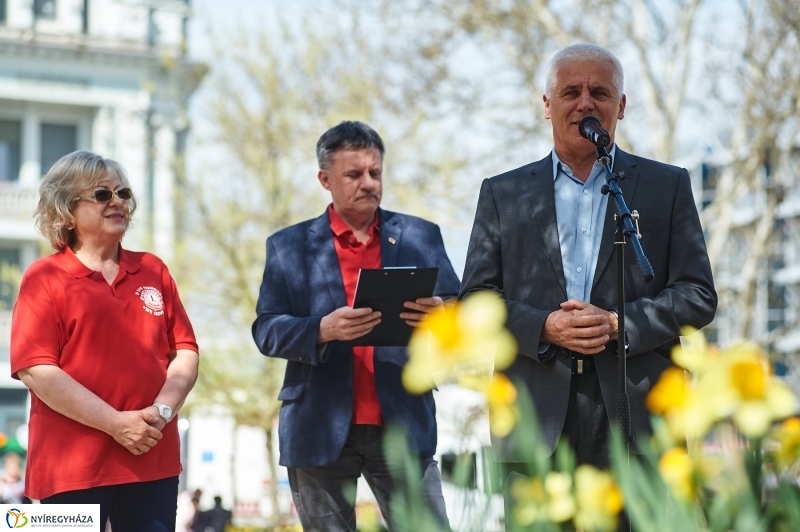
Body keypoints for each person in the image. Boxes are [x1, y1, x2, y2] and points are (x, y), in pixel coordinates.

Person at [459, 43, 717, 490]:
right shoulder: (503, 193)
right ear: (547, 105)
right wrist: (544, 326)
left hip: (638, 413)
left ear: (620, 105)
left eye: (599, 91)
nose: (585, 103)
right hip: (533, 417)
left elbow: (697, 295)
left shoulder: (666, 185)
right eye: (569, 91)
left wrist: (619, 323)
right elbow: (475, 302)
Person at [252, 121, 460, 531]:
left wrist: (441, 313)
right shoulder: (287, 246)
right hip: (318, 425)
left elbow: (460, 307)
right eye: (354, 174)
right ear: (325, 179)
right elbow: (266, 329)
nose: (368, 183)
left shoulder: (421, 236)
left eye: (375, 173)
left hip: (403, 419)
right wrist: (321, 330)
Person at [10, 151, 199, 531]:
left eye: (123, 192)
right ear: (65, 211)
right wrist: (115, 423)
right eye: (101, 194)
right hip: (69, 469)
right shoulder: (43, 277)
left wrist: (161, 413)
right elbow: (37, 369)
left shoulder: (154, 270)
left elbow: (185, 352)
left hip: (151, 462)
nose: (118, 201)